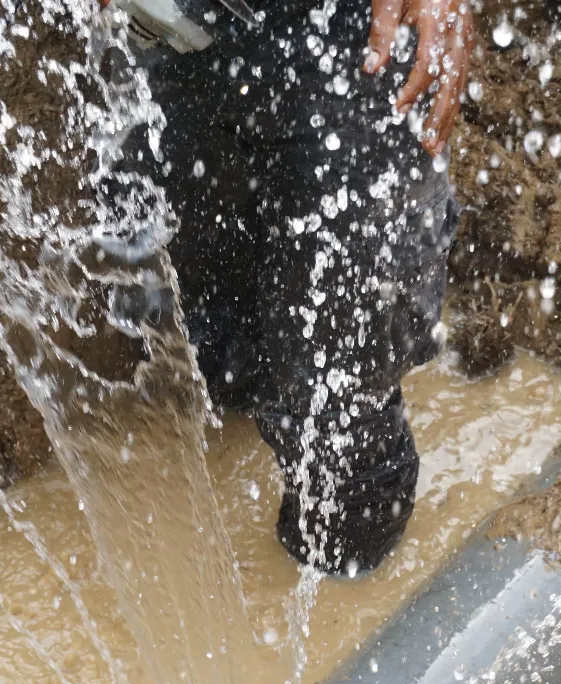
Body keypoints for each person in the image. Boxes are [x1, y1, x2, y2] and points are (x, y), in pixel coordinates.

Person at [113, 0, 473, 574]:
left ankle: (344, 576)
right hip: (173, 30)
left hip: (351, 30)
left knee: (341, 432)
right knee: (204, 346)